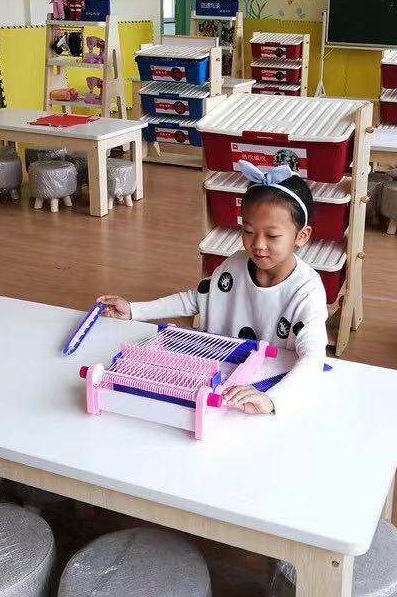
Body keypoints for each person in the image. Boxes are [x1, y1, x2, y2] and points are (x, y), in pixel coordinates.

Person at [99, 161, 327, 416]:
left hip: (264, 392)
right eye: (248, 231)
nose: (258, 245)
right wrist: (133, 310)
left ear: (302, 236)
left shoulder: (306, 290)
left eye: (272, 236)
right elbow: (197, 299)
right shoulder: (236, 264)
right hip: (211, 384)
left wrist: (272, 400)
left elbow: (314, 357)